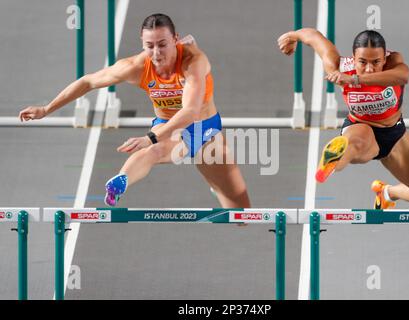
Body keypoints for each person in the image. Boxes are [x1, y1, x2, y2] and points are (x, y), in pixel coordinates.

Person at [19, 13, 251, 208]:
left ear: (175, 40)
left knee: (240, 210)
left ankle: (217, 186)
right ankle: (121, 181)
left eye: (162, 44)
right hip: (166, 128)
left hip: (204, 128)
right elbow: (88, 82)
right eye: (150, 46)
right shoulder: (135, 67)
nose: (156, 53)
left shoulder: (194, 62)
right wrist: (46, 109)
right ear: (142, 43)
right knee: (155, 151)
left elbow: (190, 111)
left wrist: (150, 137)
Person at [278, 28, 409, 208]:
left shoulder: (393, 63)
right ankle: (335, 159)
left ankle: (388, 193)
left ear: (385, 59)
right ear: (353, 57)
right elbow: (313, 37)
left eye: (375, 62)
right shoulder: (339, 66)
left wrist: (355, 80)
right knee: (357, 143)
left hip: (396, 135)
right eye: (362, 61)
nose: (369, 68)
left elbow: (403, 76)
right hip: (360, 126)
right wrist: (292, 36)